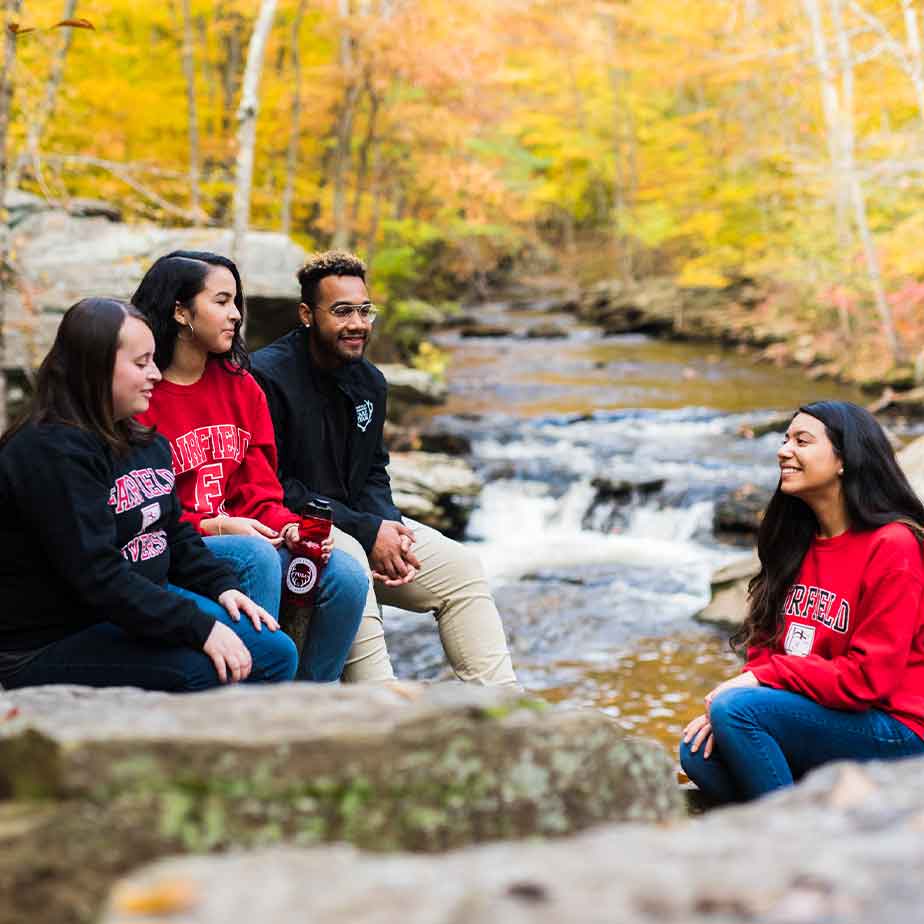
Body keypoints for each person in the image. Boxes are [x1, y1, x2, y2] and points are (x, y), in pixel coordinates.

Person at [0, 297, 298, 691]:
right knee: (211, 668)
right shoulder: (50, 452)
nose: (156, 374)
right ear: (95, 367)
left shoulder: (143, 441)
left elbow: (173, 531)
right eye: (141, 364)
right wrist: (198, 627)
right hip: (52, 638)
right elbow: (98, 577)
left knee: (276, 653)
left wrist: (221, 586)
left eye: (154, 360)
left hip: (134, 606)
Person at [251, 250, 518, 685]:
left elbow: (374, 471)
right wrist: (368, 532)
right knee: (354, 557)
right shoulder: (266, 378)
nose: (357, 323)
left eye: (364, 310)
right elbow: (276, 487)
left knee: (462, 568)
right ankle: (381, 713)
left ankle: (508, 714)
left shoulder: (369, 381)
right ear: (306, 314)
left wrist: (390, 530)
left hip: (360, 527)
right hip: (293, 530)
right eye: (341, 311)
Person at [132, 251, 367, 682]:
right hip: (182, 547)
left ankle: (311, 702)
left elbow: (260, 492)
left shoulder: (243, 388)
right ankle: (249, 707)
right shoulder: (140, 394)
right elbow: (139, 510)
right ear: (181, 312)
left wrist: (293, 529)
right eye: (221, 302)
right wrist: (216, 527)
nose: (236, 315)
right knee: (255, 555)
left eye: (236, 302)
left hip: (247, 534)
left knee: (345, 577)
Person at [680, 400, 924, 803]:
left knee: (736, 713)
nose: (783, 450)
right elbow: (765, 647)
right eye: (785, 439)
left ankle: (793, 844)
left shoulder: (893, 546)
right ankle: (825, 822)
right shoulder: (796, 542)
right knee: (699, 752)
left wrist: (755, 686)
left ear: (845, 459)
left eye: (802, 440)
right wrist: (747, 689)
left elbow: (867, 680)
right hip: (830, 714)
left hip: (898, 728)